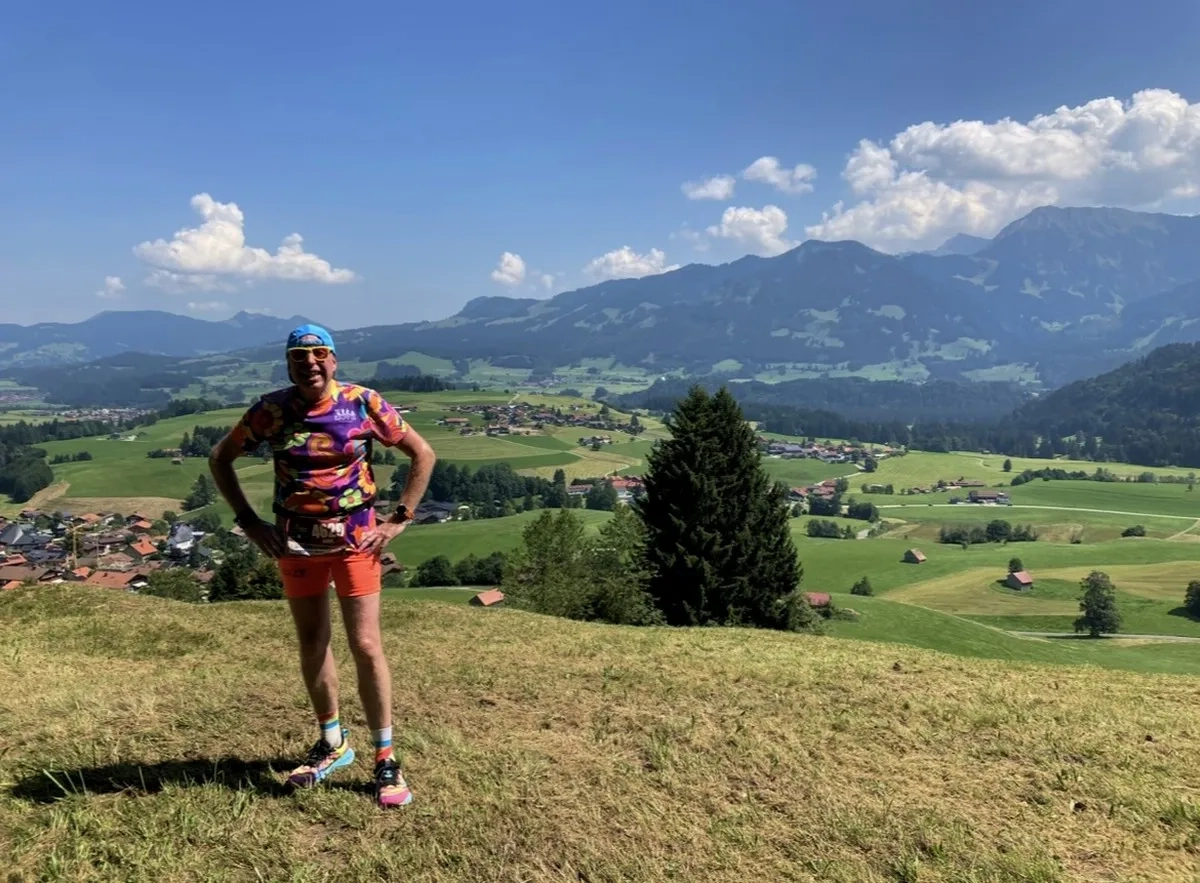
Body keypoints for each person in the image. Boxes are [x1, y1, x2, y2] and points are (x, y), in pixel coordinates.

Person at [208, 323, 436, 808]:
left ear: (333, 360)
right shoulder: (271, 409)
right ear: (288, 364)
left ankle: (385, 757)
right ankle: (333, 743)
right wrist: (249, 521)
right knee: (313, 644)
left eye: (318, 355)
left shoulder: (363, 402)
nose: (309, 364)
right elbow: (220, 458)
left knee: (367, 645)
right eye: (298, 357)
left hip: (357, 542)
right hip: (295, 545)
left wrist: (400, 518)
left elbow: (422, 453)